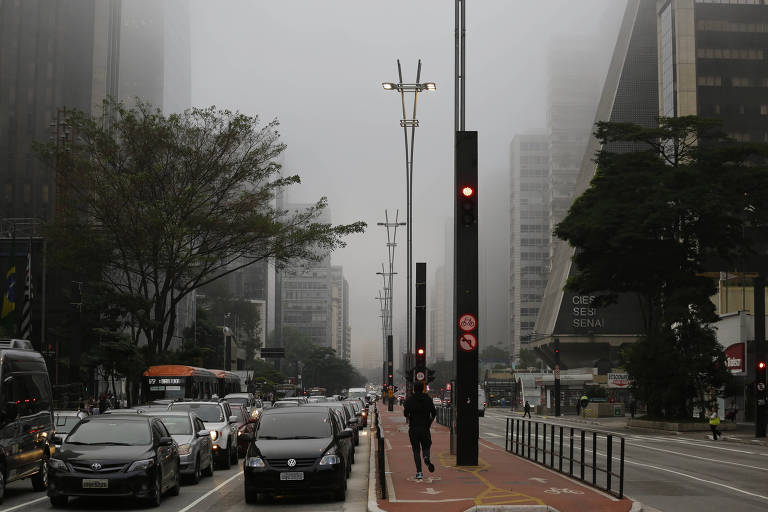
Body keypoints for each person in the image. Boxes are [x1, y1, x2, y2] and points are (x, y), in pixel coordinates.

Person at [403, 381, 437, 480]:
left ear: (414, 388)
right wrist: (429, 423)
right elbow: (434, 413)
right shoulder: (428, 399)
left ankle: (419, 472)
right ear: (423, 388)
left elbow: (405, 413)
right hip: (425, 428)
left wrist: (410, 418)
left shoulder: (410, 400)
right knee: (426, 446)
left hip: (414, 428)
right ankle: (426, 457)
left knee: (416, 450)